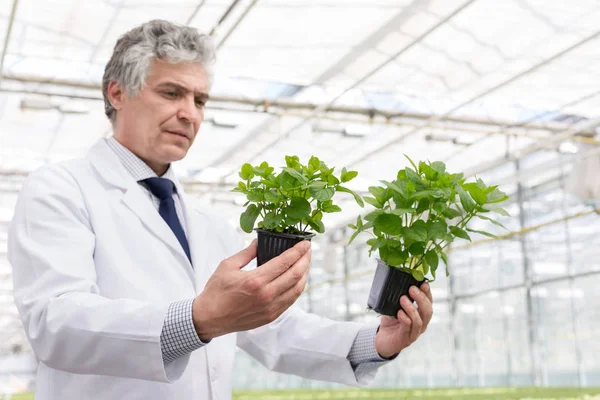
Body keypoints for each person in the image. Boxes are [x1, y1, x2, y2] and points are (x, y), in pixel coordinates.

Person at [8, 19, 433, 400]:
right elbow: (55, 323)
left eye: (200, 100)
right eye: (171, 93)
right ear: (117, 92)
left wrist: (377, 342)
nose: (189, 113)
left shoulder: (205, 221)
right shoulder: (61, 189)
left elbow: (272, 329)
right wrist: (197, 320)